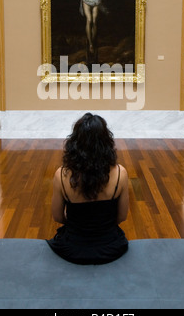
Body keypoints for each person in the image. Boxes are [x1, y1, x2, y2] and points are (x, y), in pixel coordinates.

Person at [47, 112, 129, 265]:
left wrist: (78, 225)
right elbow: (122, 216)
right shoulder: (120, 174)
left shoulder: (61, 175)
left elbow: (58, 217)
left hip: (73, 248)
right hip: (110, 247)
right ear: (106, 142)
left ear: (75, 143)